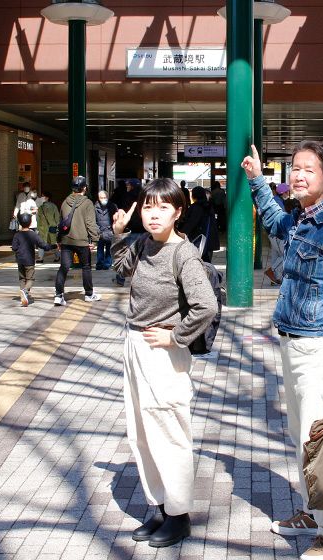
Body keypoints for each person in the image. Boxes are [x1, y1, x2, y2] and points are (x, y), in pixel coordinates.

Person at [242, 141, 323, 560]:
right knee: (301, 437)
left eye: (308, 170)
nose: (298, 175)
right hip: (292, 341)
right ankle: (314, 514)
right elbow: (276, 222)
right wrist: (258, 180)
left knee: (318, 442)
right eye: (294, 168)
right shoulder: (302, 221)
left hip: (318, 347)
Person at [111, 178, 217, 549]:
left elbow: (207, 306)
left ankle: (179, 514)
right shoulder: (143, 244)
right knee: (141, 431)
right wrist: (119, 233)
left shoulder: (182, 254)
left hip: (164, 353)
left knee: (168, 431)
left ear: (178, 211)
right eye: (147, 207)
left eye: (162, 207)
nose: (153, 214)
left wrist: (175, 336)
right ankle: (159, 506)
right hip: (135, 344)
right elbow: (122, 270)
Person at [54, 175, 101, 305]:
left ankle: (58, 295)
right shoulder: (87, 203)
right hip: (82, 242)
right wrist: (95, 240)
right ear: (84, 188)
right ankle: (89, 294)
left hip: (66, 241)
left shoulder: (64, 202)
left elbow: (61, 223)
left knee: (63, 268)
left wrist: (58, 240)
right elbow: (90, 223)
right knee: (86, 267)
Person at [12, 212, 56, 307]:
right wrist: (53, 246)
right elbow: (43, 245)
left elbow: (14, 247)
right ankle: (25, 291)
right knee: (30, 279)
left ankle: (23, 297)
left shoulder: (17, 235)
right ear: (30, 222)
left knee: (22, 278)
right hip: (29, 260)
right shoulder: (33, 235)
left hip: (20, 260)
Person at [113, 180, 146, 286]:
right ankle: (141, 278)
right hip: (144, 230)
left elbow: (123, 209)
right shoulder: (144, 197)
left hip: (131, 229)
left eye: (129, 185)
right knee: (143, 256)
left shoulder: (127, 196)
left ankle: (120, 278)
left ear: (131, 186)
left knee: (127, 254)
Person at [179, 186, 220, 263]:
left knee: (198, 263)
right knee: (207, 263)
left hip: (198, 240)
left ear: (194, 195)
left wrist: (180, 233)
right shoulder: (209, 206)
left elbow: (191, 223)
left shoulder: (196, 207)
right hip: (209, 239)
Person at [264, 183, 293, 285]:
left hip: (273, 233)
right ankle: (272, 271)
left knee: (276, 255)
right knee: (286, 254)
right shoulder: (279, 202)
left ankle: (275, 278)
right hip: (278, 233)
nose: (288, 193)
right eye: (287, 191)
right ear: (283, 192)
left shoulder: (276, 200)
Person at [36, 191, 60, 263]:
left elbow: (38, 218)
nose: (42, 198)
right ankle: (56, 256)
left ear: (47, 197)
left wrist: (38, 228)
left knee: (44, 243)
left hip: (43, 228)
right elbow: (57, 217)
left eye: (43, 196)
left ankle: (42, 258)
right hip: (51, 227)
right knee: (52, 243)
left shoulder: (41, 207)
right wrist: (56, 225)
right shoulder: (53, 206)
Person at [95, 190, 115, 270]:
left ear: (108, 197)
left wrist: (113, 230)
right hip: (100, 232)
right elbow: (93, 220)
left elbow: (116, 218)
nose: (103, 199)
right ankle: (99, 264)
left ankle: (107, 264)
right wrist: (97, 230)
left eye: (105, 197)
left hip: (109, 231)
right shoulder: (95, 207)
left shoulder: (113, 206)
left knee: (109, 249)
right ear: (98, 198)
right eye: (101, 198)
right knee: (99, 249)